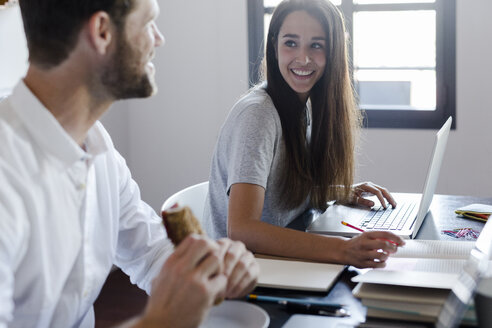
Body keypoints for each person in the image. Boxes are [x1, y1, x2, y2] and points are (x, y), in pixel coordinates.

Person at [0, 0, 259, 327]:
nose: (159, 38)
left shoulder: (97, 145)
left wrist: (216, 268)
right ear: (103, 32)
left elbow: (150, 255)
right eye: (149, 22)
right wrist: (159, 322)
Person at [203, 0, 405, 268]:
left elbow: (277, 197)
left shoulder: (301, 106)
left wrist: (335, 192)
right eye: (291, 43)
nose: (303, 58)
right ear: (274, 45)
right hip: (237, 278)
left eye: (316, 45)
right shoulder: (258, 114)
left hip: (272, 264)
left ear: (332, 51)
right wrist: (344, 250)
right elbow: (242, 230)